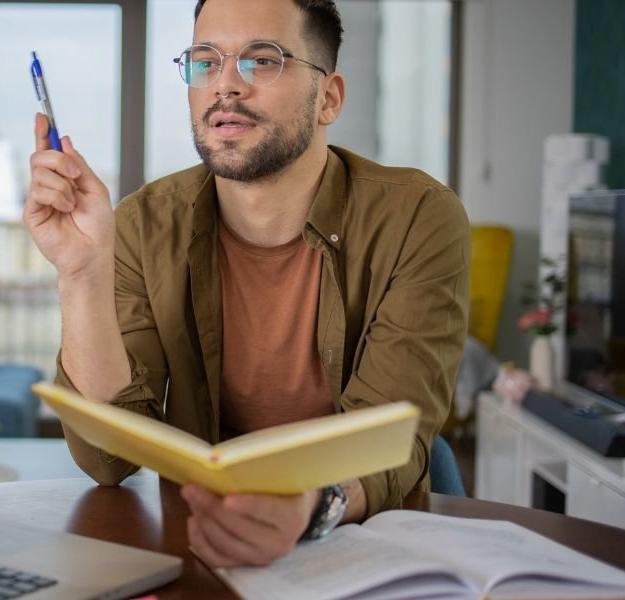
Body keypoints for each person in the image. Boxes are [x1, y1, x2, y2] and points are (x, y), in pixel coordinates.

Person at [24, 0, 469, 568]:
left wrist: (307, 508)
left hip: (361, 537)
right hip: (206, 537)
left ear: (328, 97)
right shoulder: (143, 223)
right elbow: (108, 459)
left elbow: (389, 442)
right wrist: (80, 275)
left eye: (262, 59)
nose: (225, 85)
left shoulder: (418, 217)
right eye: (204, 62)